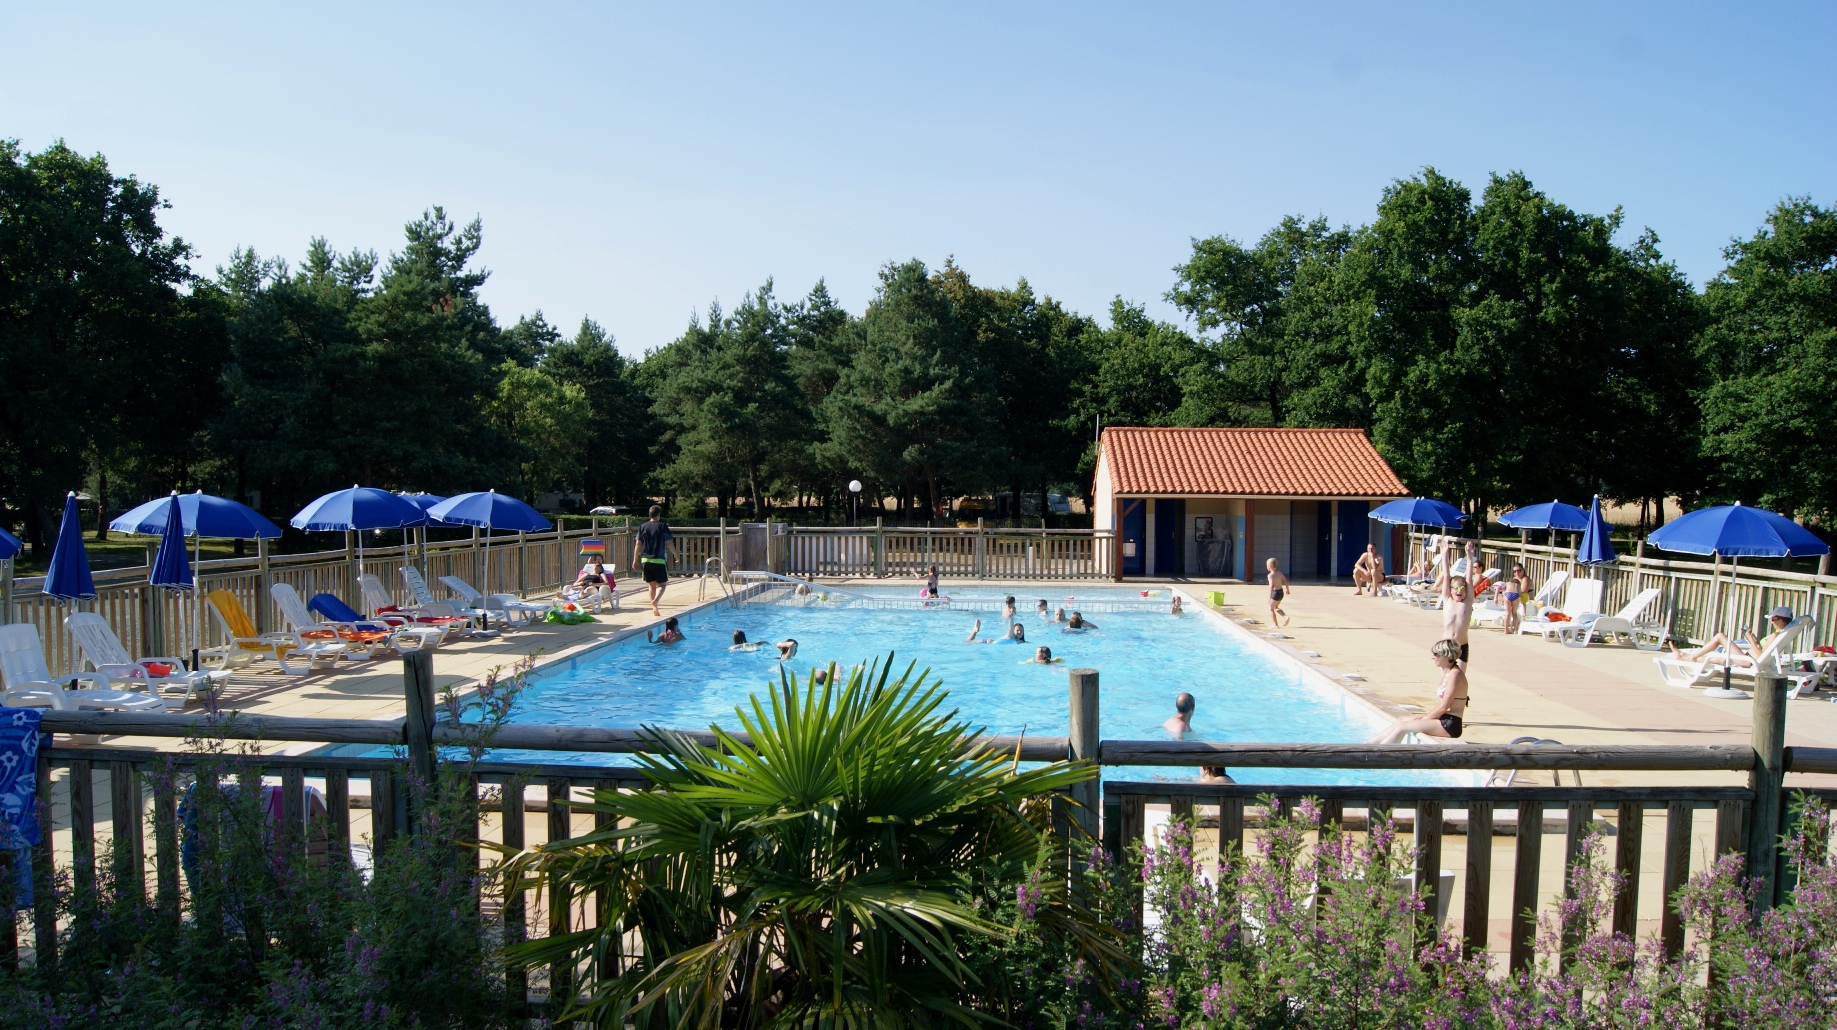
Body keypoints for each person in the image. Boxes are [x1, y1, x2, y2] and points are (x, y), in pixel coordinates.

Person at [1367, 638, 1470, 744]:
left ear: (1445, 656)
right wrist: (1425, 718)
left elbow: (1444, 706)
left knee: (1403, 726)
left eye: (1436, 654)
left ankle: (1381, 751)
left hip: (1449, 724)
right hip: (1442, 719)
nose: (1432, 657)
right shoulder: (1447, 672)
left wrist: (1425, 718)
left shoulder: (1455, 675)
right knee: (1401, 720)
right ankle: (1369, 744)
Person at [1672, 606, 1796, 668]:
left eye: (1774, 619)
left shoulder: (1775, 635)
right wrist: (1753, 639)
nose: (1772, 622)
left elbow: (1760, 655)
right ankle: (1684, 656)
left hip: (1749, 661)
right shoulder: (1781, 635)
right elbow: (1762, 650)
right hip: (1749, 659)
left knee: (1720, 636)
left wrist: (1749, 638)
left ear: (1782, 621)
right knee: (1717, 659)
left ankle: (1692, 656)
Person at [632, 505, 678, 617]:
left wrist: (635, 560)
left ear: (650, 514)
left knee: (652, 585)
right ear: (658, 515)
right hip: (658, 560)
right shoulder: (662, 526)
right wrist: (676, 555)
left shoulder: (643, 527)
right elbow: (669, 543)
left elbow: (638, 544)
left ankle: (654, 608)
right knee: (662, 585)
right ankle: (656, 601)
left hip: (645, 560)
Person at [1439, 539, 1477, 664]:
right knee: (1446, 675)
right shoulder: (1447, 600)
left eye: (1462, 588)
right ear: (1450, 590)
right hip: (1446, 644)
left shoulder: (1468, 602)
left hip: (1462, 646)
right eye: (1456, 588)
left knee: (1459, 675)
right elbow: (1446, 576)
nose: (1459, 591)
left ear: (1465, 591)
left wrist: (1469, 556)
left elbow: (1469, 579)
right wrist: (1444, 555)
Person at [1502, 564, 1531, 634]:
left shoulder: (1525, 579)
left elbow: (1524, 591)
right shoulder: (1516, 579)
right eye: (1514, 571)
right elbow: (1519, 592)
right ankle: (1515, 630)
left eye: (1519, 570)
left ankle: (1506, 630)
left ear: (1523, 570)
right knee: (1514, 613)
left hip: (1526, 601)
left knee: (1508, 613)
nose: (1516, 573)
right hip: (1517, 597)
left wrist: (1504, 597)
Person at [1266, 558, 1292, 627]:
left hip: (1275, 593)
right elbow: (1286, 581)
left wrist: (1269, 596)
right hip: (1281, 592)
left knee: (1270, 608)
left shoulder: (1270, 575)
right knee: (1276, 607)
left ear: (1270, 565)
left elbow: (1271, 585)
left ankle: (1275, 624)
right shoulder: (1279, 573)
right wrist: (1287, 589)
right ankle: (1285, 617)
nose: (1267, 566)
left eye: (1267, 565)